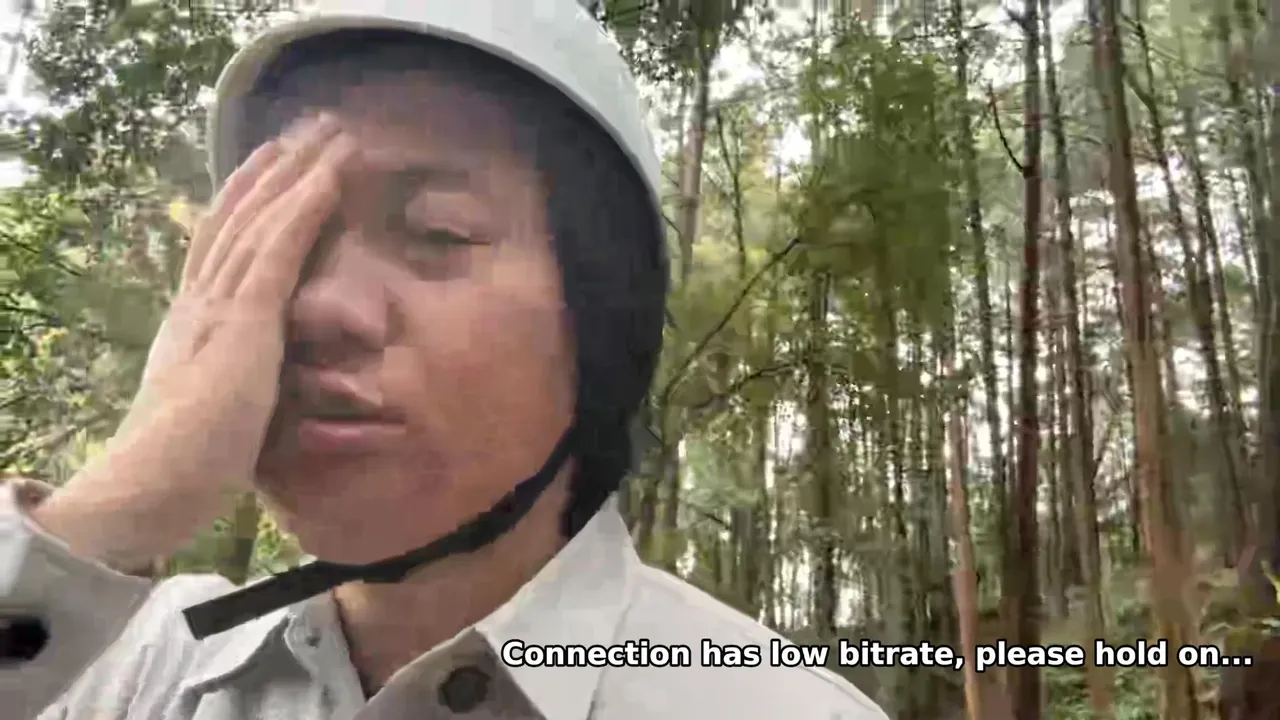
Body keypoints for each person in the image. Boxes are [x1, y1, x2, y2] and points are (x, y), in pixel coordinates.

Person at [0, 1, 888, 718]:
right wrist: (119, 510)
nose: (311, 307)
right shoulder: (120, 668)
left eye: (437, 232)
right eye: (284, 243)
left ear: (600, 326)